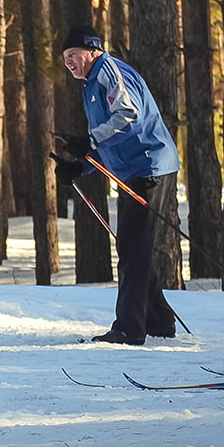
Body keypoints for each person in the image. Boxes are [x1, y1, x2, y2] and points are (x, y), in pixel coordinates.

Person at [53, 25, 180, 346]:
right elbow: (107, 141)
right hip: (131, 171)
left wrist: (88, 140)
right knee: (130, 247)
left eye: (73, 55)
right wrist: (78, 167)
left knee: (134, 249)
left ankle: (129, 328)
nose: (68, 62)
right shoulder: (92, 84)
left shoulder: (108, 71)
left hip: (148, 167)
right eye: (64, 58)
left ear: (92, 50)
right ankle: (158, 320)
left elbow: (127, 115)